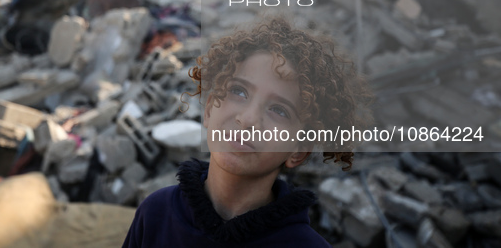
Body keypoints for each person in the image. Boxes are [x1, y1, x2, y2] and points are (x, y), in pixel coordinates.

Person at [123, 16, 372, 247]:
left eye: (279, 110)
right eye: (239, 92)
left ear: (298, 151)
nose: (248, 119)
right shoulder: (156, 214)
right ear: (209, 110)